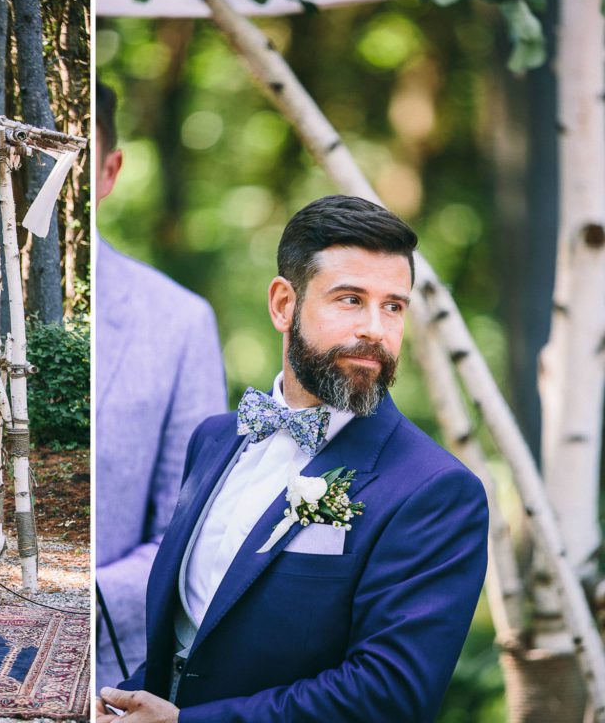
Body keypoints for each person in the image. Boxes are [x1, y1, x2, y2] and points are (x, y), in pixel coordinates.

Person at [97, 196, 489, 722]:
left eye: (393, 306)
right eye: (350, 299)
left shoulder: (436, 490)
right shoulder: (214, 440)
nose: (375, 328)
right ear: (284, 304)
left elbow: (390, 695)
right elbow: (190, 642)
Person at [95, 81, 227, 688]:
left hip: (109, 665)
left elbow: (192, 527)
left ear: (109, 171)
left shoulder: (179, 322)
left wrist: (92, 594)